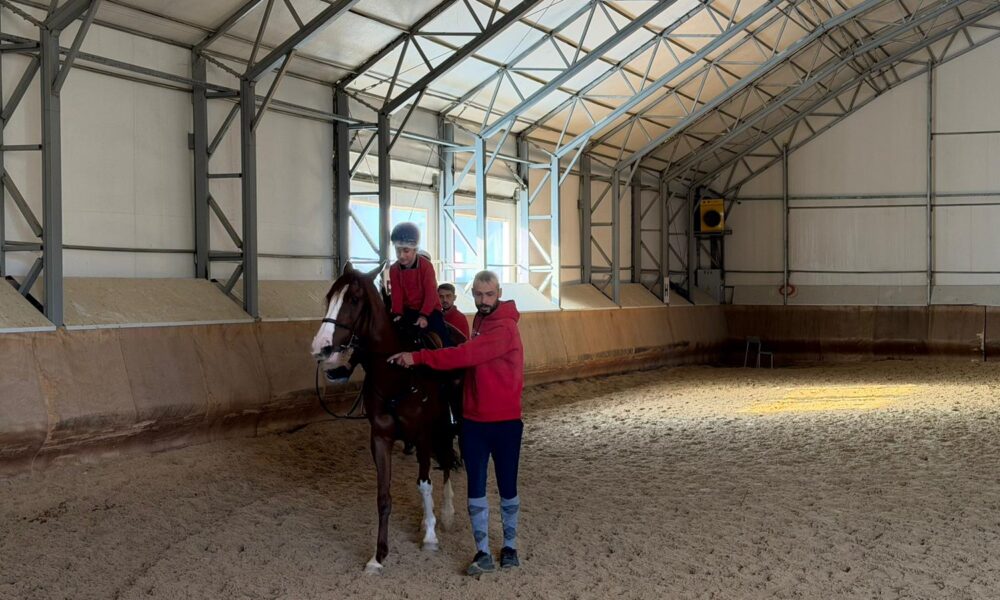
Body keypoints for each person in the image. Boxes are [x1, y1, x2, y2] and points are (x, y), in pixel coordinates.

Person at [389, 270, 524, 575]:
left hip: (505, 422)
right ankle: (483, 551)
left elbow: (465, 355)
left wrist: (418, 357)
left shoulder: (504, 328)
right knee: (475, 487)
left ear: (499, 293)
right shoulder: (480, 321)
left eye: (489, 294)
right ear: (472, 294)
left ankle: (510, 546)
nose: (483, 300)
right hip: (474, 421)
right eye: (478, 294)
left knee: (507, 486)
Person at [388, 222, 452, 347]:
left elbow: (431, 293)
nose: (401, 255)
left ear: (415, 249)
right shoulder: (394, 269)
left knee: (442, 336)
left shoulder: (426, 266)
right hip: (409, 310)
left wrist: (424, 315)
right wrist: (397, 313)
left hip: (430, 309)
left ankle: (448, 355)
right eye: (397, 251)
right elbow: (396, 294)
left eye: (406, 251)